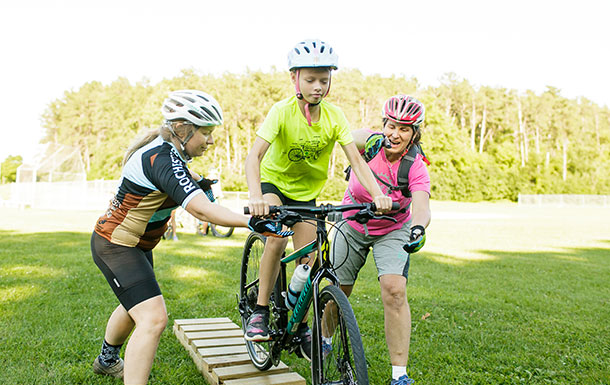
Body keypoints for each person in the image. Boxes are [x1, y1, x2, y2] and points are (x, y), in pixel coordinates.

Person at [90, 90, 291, 384]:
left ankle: (107, 360)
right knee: (153, 318)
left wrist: (199, 181)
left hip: (135, 245)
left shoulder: (168, 152)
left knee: (134, 304)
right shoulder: (161, 158)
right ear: (183, 129)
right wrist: (252, 222)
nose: (210, 141)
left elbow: (178, 184)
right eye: (206, 133)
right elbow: (204, 212)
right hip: (117, 245)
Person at [243, 38, 393, 361]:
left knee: (308, 261)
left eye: (324, 80)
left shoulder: (334, 116)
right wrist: (256, 196)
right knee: (276, 239)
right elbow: (254, 156)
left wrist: (379, 193)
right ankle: (260, 309)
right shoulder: (281, 112)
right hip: (275, 185)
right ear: (294, 79)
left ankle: (298, 325)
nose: (317, 87)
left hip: (307, 194)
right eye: (310, 79)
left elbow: (356, 161)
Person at [329, 95, 431, 385]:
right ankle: (324, 339)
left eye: (404, 128)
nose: (395, 134)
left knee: (395, 290)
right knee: (340, 290)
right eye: (391, 125)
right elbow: (347, 137)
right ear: (383, 124)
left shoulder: (415, 166)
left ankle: (399, 375)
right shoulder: (372, 143)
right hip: (352, 221)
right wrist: (372, 137)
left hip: (393, 228)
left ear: (414, 133)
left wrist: (419, 229)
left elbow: (422, 206)